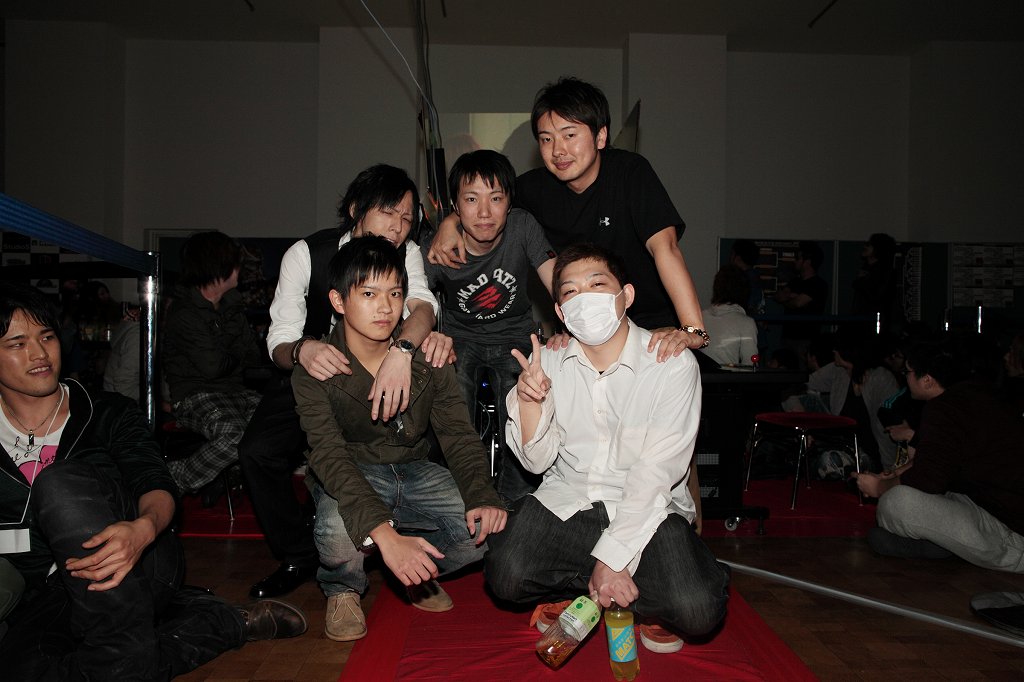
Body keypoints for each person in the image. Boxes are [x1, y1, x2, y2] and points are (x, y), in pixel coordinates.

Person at [0, 282, 306, 680]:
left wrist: (142, 529)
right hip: (49, 592)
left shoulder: (107, 412)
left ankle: (132, 642)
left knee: (58, 484)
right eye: (17, 344)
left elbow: (156, 484)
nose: (39, 354)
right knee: (23, 669)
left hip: (141, 559)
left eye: (46, 337)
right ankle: (216, 623)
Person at [485, 244, 730, 654]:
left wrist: (613, 559)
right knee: (506, 574)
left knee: (698, 608)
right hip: (570, 502)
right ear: (560, 312)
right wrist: (529, 403)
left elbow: (656, 475)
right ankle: (615, 591)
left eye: (597, 285)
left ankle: (619, 590)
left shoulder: (671, 363)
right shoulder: (549, 362)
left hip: (648, 513)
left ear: (626, 295)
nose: (584, 298)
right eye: (570, 292)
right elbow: (536, 462)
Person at [239, 165, 454, 601]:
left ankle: (398, 542)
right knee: (257, 451)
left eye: (407, 218)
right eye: (388, 213)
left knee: (422, 444)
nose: (397, 227)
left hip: (383, 370)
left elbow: (424, 309)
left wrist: (402, 352)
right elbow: (279, 338)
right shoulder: (306, 253)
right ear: (356, 210)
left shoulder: (407, 252)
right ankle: (299, 553)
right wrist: (303, 350)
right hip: (313, 372)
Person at [292, 236, 507, 642]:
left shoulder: (427, 355)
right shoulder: (317, 365)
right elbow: (329, 456)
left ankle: (417, 572)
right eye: (368, 293)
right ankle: (343, 588)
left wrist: (482, 493)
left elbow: (459, 436)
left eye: (394, 293)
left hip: (415, 467)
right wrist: (385, 535)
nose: (385, 307)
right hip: (351, 469)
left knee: (485, 531)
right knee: (337, 530)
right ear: (338, 301)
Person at [428, 76, 709, 357]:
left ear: (600, 136)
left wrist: (692, 328)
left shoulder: (630, 173)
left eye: (569, 135)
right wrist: (451, 222)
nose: (558, 150)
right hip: (583, 329)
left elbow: (666, 248)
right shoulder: (534, 188)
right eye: (546, 139)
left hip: (648, 323)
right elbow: (488, 203)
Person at [424, 150, 556, 501]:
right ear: (455, 205)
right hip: (460, 339)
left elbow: (557, 281)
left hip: (516, 336)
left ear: (509, 203)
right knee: (452, 410)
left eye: (496, 198)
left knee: (523, 407)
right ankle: (459, 498)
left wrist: (574, 329)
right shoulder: (438, 247)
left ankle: (515, 505)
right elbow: (413, 303)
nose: (484, 212)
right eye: (471, 200)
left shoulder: (522, 227)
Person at [855, 342, 1024, 572]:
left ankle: (953, 547)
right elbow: (943, 461)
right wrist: (896, 474)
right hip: (984, 503)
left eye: (908, 372)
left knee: (895, 502)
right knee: (910, 497)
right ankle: (943, 545)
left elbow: (928, 479)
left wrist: (880, 487)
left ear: (927, 380)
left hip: (1011, 528)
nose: (905, 378)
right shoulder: (979, 395)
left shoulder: (945, 409)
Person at [162, 231, 263, 495]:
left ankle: (234, 475)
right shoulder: (184, 313)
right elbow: (213, 367)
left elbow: (253, 355)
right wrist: (234, 349)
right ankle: (173, 479)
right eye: (236, 263)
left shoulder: (231, 305)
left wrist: (230, 352)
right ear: (220, 266)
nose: (240, 270)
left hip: (235, 391)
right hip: (194, 395)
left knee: (281, 422)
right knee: (234, 434)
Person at [774, 240, 828, 363]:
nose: (795, 261)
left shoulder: (818, 284)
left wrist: (789, 298)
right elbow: (778, 296)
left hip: (806, 338)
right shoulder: (794, 282)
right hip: (788, 336)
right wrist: (793, 296)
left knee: (804, 369)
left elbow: (798, 303)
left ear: (807, 262)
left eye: (798, 258)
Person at [700, 265, 758, 367]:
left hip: (700, 375)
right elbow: (750, 365)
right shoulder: (746, 323)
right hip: (728, 376)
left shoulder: (699, 317)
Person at [730, 239, 766, 316]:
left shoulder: (745, 279)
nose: (730, 258)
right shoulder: (754, 276)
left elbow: (748, 307)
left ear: (738, 258)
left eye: (732, 254)